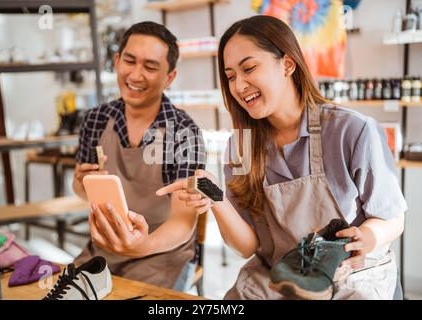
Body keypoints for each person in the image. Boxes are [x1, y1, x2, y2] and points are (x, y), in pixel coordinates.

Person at [157, 15, 406, 299]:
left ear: (287, 64)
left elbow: (393, 218)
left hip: (351, 275)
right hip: (279, 278)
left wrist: (369, 237)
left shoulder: (352, 130)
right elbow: (247, 246)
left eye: (248, 68)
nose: (238, 86)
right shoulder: (241, 147)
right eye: (230, 76)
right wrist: (215, 198)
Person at [72, 21, 206, 290]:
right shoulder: (96, 120)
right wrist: (81, 182)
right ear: (117, 60)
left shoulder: (184, 132)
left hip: (162, 255)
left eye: (150, 67)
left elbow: (184, 220)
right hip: (103, 250)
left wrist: (143, 245)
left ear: (169, 77)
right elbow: (81, 189)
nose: (135, 75)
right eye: (130, 61)